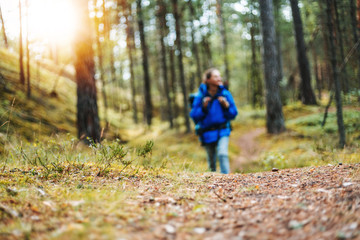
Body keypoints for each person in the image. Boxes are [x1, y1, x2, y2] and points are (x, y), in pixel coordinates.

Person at [190, 68, 238, 174]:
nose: (219, 78)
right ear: (208, 80)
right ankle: (213, 185)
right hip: (207, 132)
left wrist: (226, 106)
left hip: (223, 130)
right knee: (211, 163)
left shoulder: (225, 93)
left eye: (219, 76)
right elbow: (194, 115)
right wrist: (203, 108)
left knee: (222, 154)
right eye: (216, 76)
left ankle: (227, 180)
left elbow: (234, 113)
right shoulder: (200, 96)